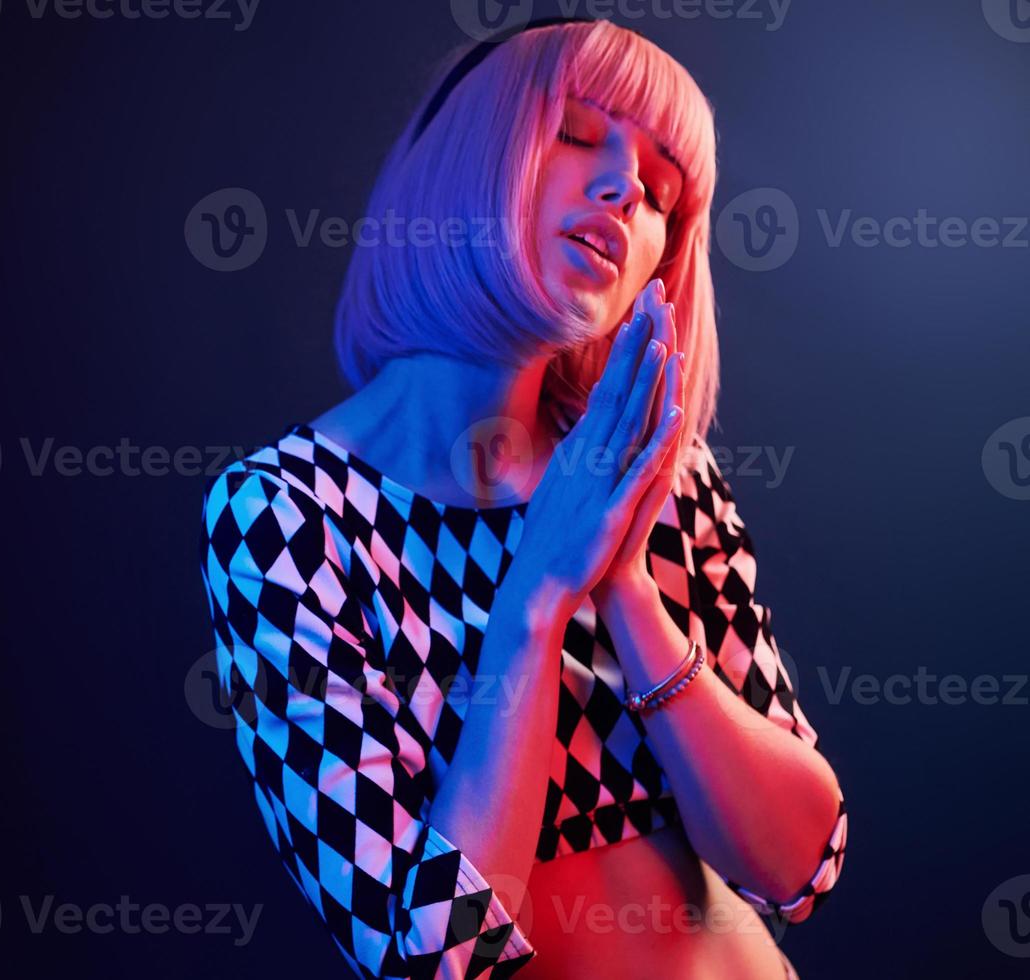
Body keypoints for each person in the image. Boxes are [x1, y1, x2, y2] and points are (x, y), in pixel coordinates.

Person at [198, 18, 846, 979]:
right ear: (466, 162)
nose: (628, 186)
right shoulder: (286, 519)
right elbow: (436, 955)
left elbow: (800, 863)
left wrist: (625, 581)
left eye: (663, 191)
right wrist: (537, 599)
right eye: (580, 134)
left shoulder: (657, 470)